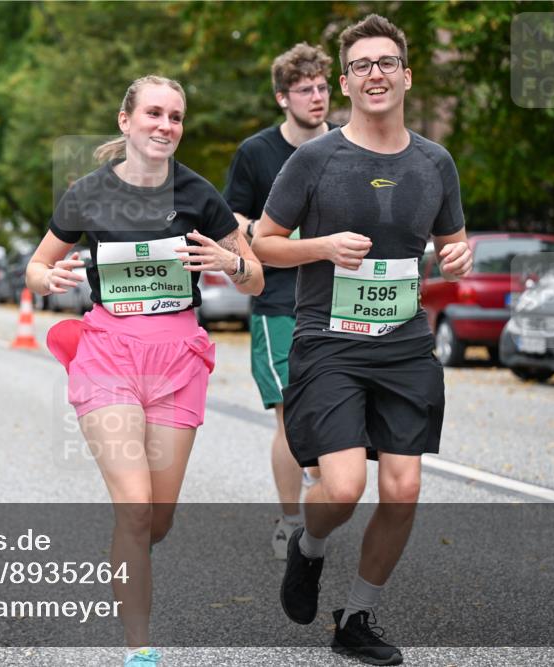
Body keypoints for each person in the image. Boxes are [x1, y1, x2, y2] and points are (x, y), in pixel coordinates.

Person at [252, 15, 473, 665]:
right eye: (360, 66)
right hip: (330, 343)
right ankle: (309, 548)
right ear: (345, 83)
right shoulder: (314, 160)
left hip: (405, 345)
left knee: (403, 488)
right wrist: (320, 246)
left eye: (386, 63)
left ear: (406, 75)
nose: (374, 74)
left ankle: (357, 616)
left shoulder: (436, 162)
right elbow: (260, 242)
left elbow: (452, 240)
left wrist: (455, 257)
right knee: (343, 486)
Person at [26, 75, 264, 666]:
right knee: (133, 507)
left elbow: (255, 275)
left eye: (176, 117)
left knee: (155, 519)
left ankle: (130, 549)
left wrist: (229, 260)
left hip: (178, 361)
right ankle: (140, 652)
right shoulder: (87, 193)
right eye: (154, 113)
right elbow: (37, 263)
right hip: (108, 355)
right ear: (125, 121)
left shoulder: (200, 194)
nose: (165, 126)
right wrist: (45, 279)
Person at [223, 42, 334, 560]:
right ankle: (291, 520)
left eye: (322, 87)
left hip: (339, 300)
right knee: (290, 415)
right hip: (279, 301)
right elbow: (228, 220)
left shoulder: (347, 146)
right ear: (281, 97)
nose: (317, 97)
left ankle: (324, 492)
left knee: (334, 415)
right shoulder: (257, 153)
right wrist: (269, 234)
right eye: (305, 89)